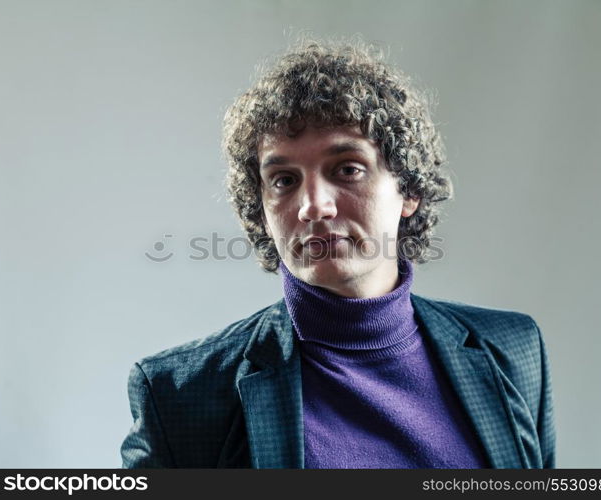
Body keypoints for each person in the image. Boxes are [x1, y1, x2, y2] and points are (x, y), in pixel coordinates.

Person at [120, 39, 555, 469]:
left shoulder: (511, 349)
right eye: (284, 180)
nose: (313, 205)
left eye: (347, 169)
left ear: (410, 190)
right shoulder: (180, 395)